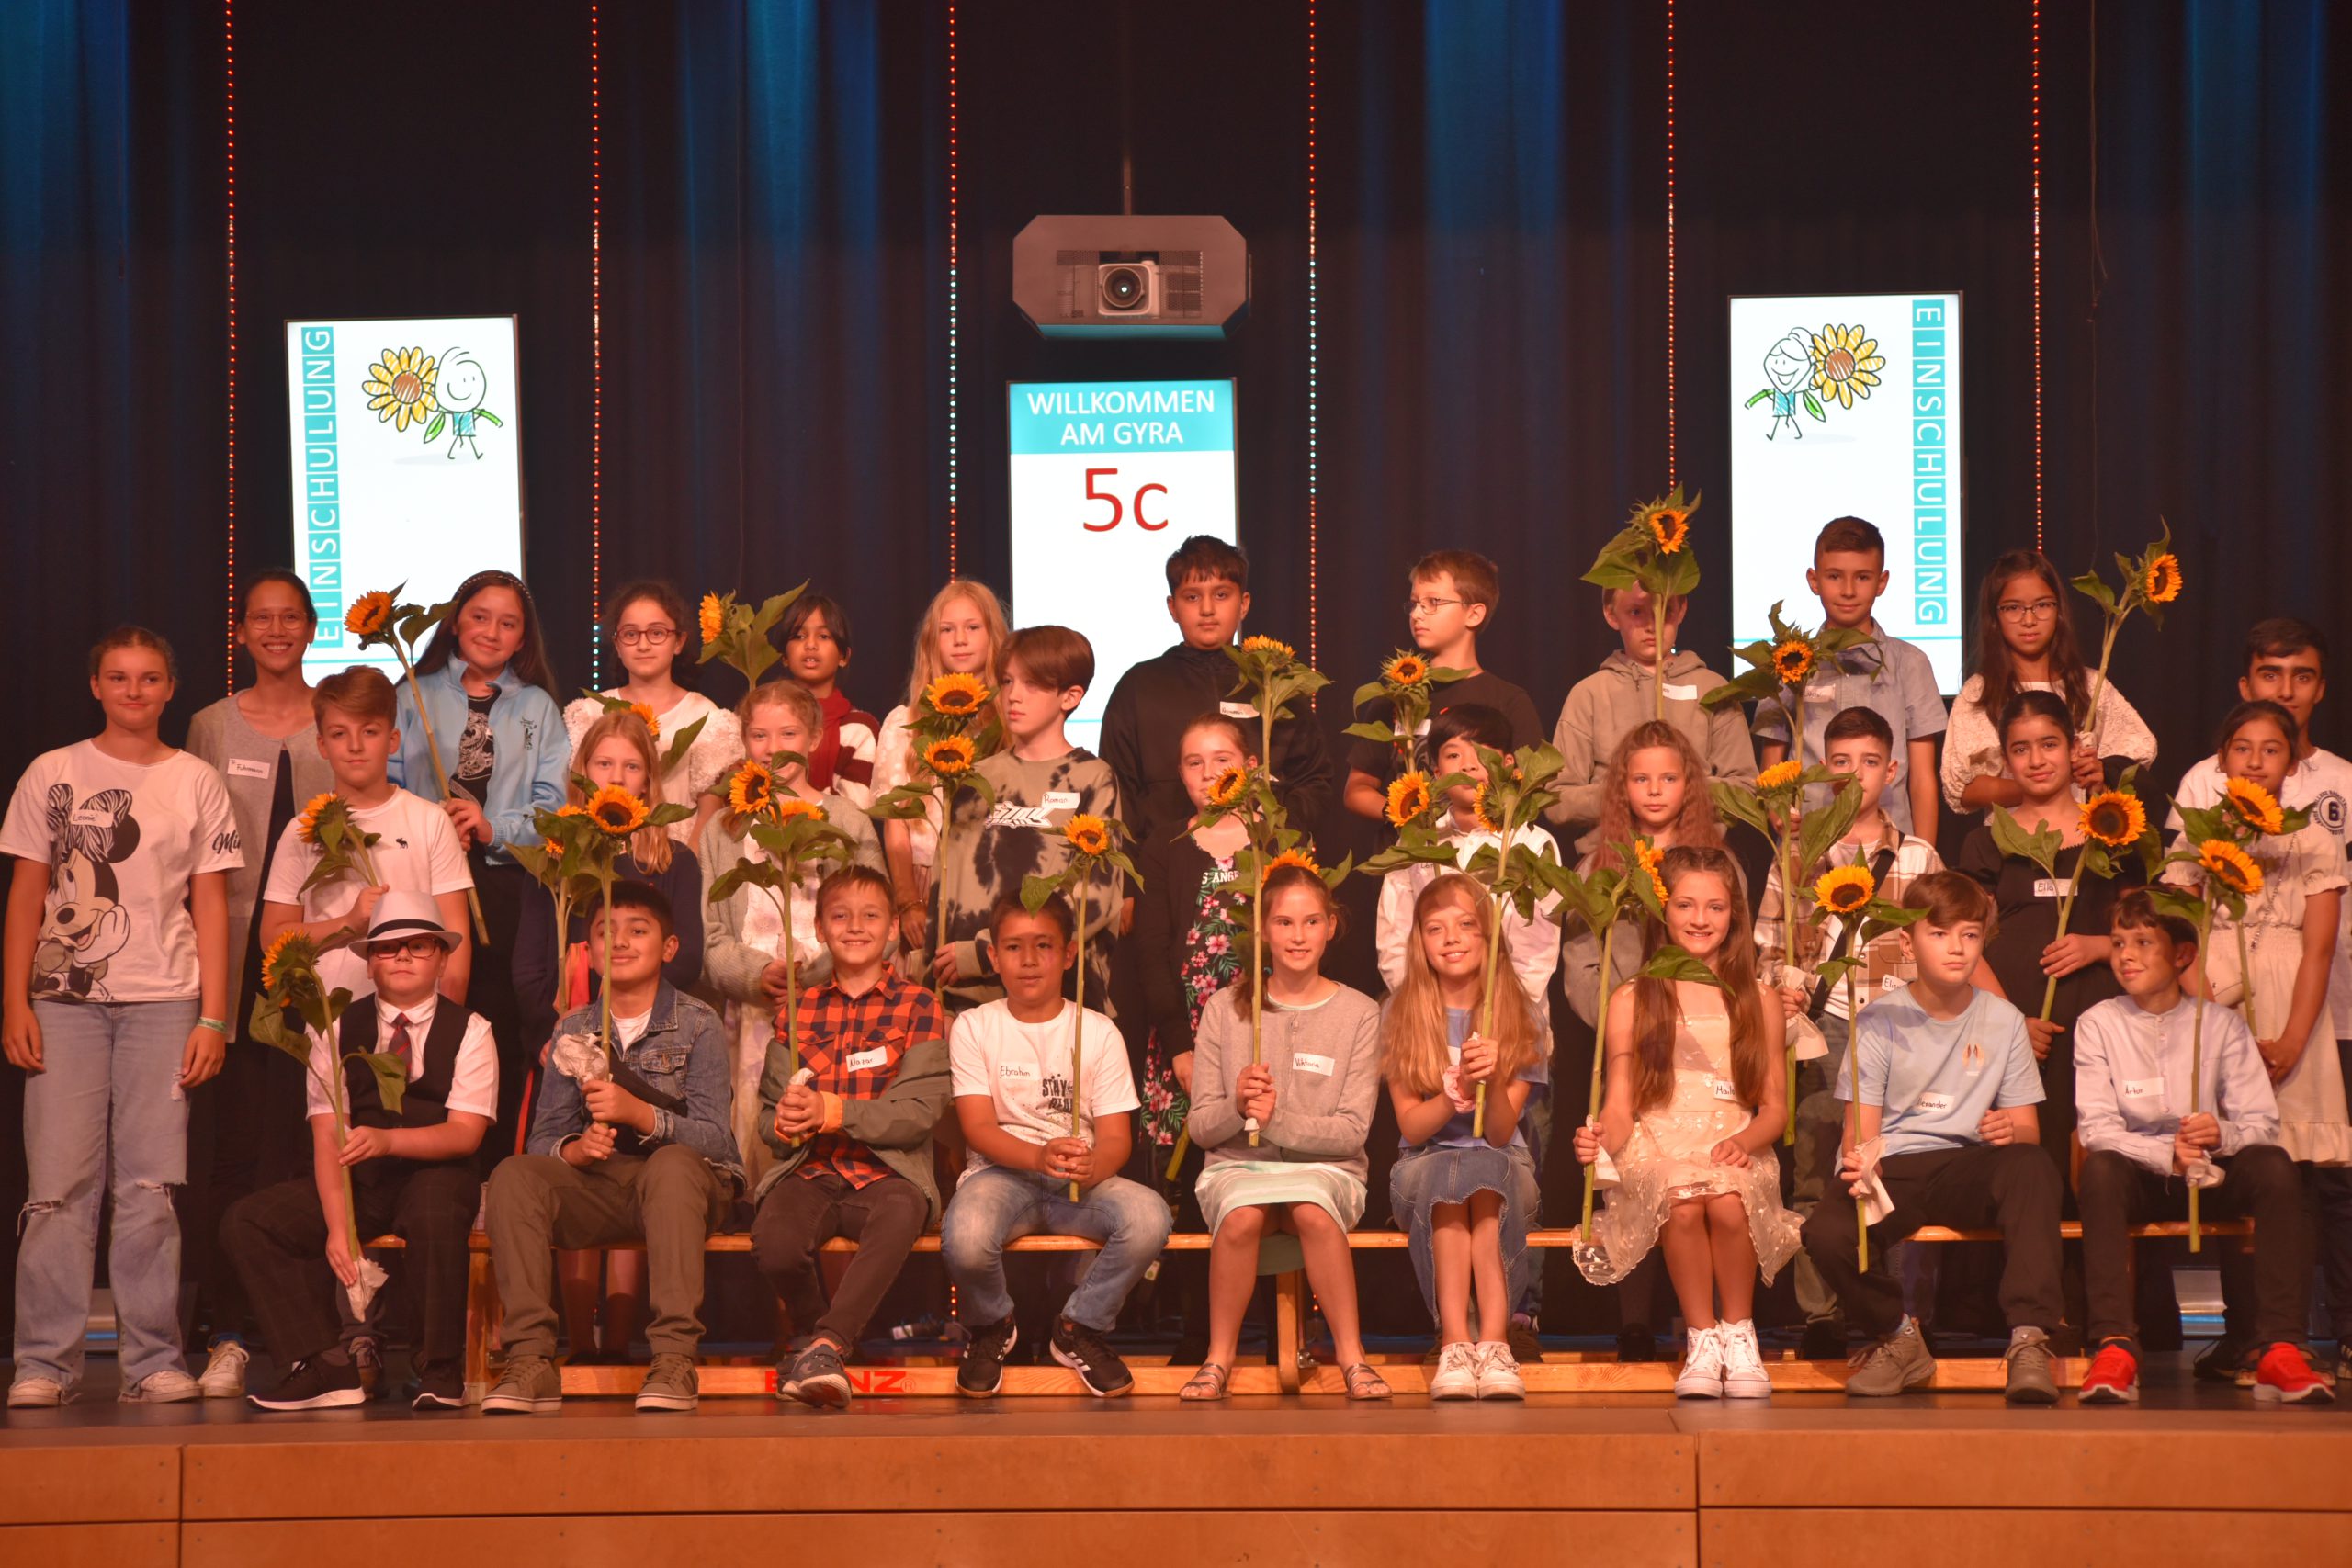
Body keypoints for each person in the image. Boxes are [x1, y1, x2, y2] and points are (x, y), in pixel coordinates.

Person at [4, 628, 241, 1407]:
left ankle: (153, 1361)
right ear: (95, 685)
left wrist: (214, 1016)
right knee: (58, 1184)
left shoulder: (196, 779)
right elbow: (28, 892)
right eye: (118, 677)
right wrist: (15, 1000)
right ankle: (45, 1363)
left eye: (148, 678)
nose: (133, 690)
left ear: (170, 687)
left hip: (165, 1000)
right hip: (63, 1001)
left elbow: (210, 902)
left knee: (150, 1185)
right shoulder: (53, 771)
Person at [1801, 872, 2065, 1404]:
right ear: (1908, 944)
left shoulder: (2004, 1020)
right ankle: (1898, 1337)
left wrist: (2008, 1128)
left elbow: (2027, 1129)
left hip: (1968, 1166)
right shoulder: (1878, 1020)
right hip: (1897, 1165)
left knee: (2032, 1165)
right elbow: (1861, 1132)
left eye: (1969, 935)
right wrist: (1862, 1165)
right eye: (1940, 934)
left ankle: (2030, 1338)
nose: (1956, 948)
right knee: (1826, 1232)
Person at [224, 895, 494, 1410]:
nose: (403, 956)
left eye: (418, 946)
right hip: (361, 1180)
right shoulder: (334, 1027)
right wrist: (337, 1227)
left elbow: (465, 1133)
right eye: (388, 948)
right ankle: (325, 1364)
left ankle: (438, 1368)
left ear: (442, 960)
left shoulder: (472, 1030)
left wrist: (390, 1140)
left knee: (434, 1210)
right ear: (369, 964)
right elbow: (328, 1132)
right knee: (250, 1221)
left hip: (436, 1171)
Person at [481, 881, 741, 1415]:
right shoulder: (574, 1028)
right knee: (513, 1175)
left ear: (669, 947)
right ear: (590, 950)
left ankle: (674, 1358)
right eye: (606, 932)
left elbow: (717, 1139)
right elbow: (544, 1137)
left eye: (637, 930)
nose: (620, 942)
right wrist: (574, 1151)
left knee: (672, 1165)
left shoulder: (699, 1023)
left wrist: (640, 1115)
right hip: (604, 1188)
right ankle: (530, 1358)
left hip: (683, 1189)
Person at [2072, 891, 2331, 1404]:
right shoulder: (2098, 1023)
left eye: (2143, 943)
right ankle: (2115, 1344)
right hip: (2143, 1177)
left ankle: (2279, 1346)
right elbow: (2096, 1127)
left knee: (2275, 1167)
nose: (2126, 956)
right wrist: (2164, 1154)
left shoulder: (2220, 1024)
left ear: (2183, 956)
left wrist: (2220, 1134)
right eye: (2119, 943)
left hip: (2211, 1175)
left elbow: (2262, 1123)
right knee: (2099, 1170)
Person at [514, 708, 706, 1363]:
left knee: (637, 1173)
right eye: (604, 764)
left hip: (645, 1040)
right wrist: (550, 1037)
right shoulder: (554, 856)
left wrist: (630, 1005)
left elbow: (687, 958)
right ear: (582, 774)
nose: (617, 777)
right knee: (575, 1165)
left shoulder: (671, 858)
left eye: (631, 766)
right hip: (567, 1038)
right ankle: (576, 1340)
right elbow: (528, 965)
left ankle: (621, 1340)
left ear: (648, 781)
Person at [1373, 702, 1561, 1359]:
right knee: (1449, 1180)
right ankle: (1452, 1333)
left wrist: (1497, 1011)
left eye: (1480, 755)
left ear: (1507, 765)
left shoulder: (1531, 843)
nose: (1467, 767)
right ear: (1433, 770)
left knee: (1507, 1170)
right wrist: (1427, 1011)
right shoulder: (1416, 844)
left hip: (1507, 1020)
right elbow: (1395, 942)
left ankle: (1514, 1322)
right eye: (1452, 755)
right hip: (1429, 1027)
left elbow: (1534, 949)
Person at [2168, 698, 2350, 1381]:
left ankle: (2286, 1336)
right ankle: (2242, 1335)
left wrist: (2293, 1039)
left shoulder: (2314, 840)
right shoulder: (2198, 837)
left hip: (2290, 1008)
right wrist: (2220, 1030)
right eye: (2242, 748)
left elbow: (2319, 949)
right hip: (2217, 1003)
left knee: (2290, 1177)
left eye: (2271, 749)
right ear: (2222, 760)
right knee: (2230, 1167)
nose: (2255, 761)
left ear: (2291, 761)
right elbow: (2182, 943)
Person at [1576, 845, 1799, 1398]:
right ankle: (1701, 1338)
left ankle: (1739, 1333)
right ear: (1663, 910)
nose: (1700, 919)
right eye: (1685, 905)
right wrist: (1601, 1139)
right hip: (1658, 1142)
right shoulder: (1634, 996)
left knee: (1726, 1198)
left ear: (1734, 915)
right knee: (1680, 1196)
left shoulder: (1759, 998)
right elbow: (1621, 1105)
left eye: (1715, 907)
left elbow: (1774, 1108)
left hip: (1732, 1140)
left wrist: (1746, 1139)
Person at [1755, 705, 1943, 1359]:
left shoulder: (1917, 855)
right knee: (1815, 1169)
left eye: (1869, 762)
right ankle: (1822, 1313)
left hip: (1900, 1030)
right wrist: (1780, 989)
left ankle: (1900, 1311)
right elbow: (1768, 943)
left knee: (1894, 1168)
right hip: (1822, 1027)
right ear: (1823, 771)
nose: (1856, 774)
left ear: (1893, 770)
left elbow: (1937, 941)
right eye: (1841, 762)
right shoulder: (1796, 856)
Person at [183, 570, 332, 1396]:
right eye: (261, 618)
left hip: (322, 961)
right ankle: (228, 1326)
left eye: (291, 617)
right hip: (231, 962)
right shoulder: (210, 724)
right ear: (242, 631)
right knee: (234, 1147)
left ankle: (312, 1327)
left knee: (307, 1141)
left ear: (310, 627)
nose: (277, 630)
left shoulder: (338, 716)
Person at [942, 894, 1171, 1399]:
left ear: (1068, 955)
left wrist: (1092, 1166)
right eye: (1013, 947)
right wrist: (1037, 1157)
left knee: (1149, 1217)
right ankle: (992, 1326)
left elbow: (1117, 1137)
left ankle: (1078, 1328)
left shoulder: (1099, 1031)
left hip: (1079, 1181)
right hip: (1002, 1175)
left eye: (1043, 946)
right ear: (994, 956)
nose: (1028, 960)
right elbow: (977, 1127)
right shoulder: (975, 1026)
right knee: (965, 1235)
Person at [1180, 864, 1388, 1401]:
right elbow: (1201, 1128)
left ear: (1331, 927)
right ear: (1263, 930)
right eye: (1284, 922)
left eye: (1311, 921)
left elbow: (1352, 1133)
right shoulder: (1225, 1010)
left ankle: (1352, 1357)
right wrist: (1237, 1107)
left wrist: (1278, 1122)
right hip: (1238, 1168)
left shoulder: (1360, 1013)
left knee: (1313, 1210)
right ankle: (1218, 1358)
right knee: (1242, 1216)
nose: (1298, 936)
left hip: (1326, 1171)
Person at [1559, 717, 1732, 1360]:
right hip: (1630, 1038)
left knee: (1703, 1181)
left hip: (1702, 1045)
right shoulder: (1599, 864)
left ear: (1690, 784)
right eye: (1640, 778)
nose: (1655, 790)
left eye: (1668, 777)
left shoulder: (1716, 862)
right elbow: (1580, 960)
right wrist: (1619, 1017)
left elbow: (1737, 948)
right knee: (1630, 1174)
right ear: (1621, 787)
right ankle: (1635, 1319)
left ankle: (1706, 1323)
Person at [752, 864, 952, 1407]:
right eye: (840, 916)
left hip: (889, 1173)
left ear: (893, 928)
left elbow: (917, 1113)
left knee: (901, 1213)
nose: (856, 926)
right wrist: (786, 1123)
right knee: (774, 1241)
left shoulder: (920, 1005)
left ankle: (826, 1345)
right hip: (812, 1170)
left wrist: (834, 1111)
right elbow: (769, 1118)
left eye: (871, 916)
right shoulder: (798, 1012)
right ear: (820, 928)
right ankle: (814, 1341)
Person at [389, 569, 569, 1164]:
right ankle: (428, 1154)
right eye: (480, 617)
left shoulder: (538, 706)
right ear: (454, 623)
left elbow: (554, 808)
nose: (492, 631)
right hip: (424, 881)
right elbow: (387, 784)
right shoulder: (412, 694)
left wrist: (493, 827)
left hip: (507, 884)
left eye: (508, 623)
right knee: (430, 1017)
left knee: (500, 1023)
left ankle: (497, 1165)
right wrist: (429, 822)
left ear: (523, 639)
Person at [1958, 691, 2141, 1201]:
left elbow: (2149, 938)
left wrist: (2100, 946)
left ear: (2075, 748)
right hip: (2017, 1032)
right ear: (2005, 758)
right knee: (2028, 1173)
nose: (2036, 760)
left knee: (2096, 1171)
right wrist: (2010, 1023)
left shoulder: (2113, 831)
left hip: (2100, 1028)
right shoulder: (1986, 842)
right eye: (2021, 749)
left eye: (2049, 744)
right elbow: (1963, 942)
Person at [699, 680, 884, 1180]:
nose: (772, 748)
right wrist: (757, 974)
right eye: (759, 735)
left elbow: (876, 922)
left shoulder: (846, 819)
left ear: (814, 738)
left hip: (835, 1003)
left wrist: (816, 975)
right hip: (754, 1011)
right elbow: (710, 935)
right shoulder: (723, 830)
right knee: (754, 1128)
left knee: (826, 1132)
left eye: (788, 734)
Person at [1383, 873, 1544, 1401]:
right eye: (1435, 928)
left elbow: (1499, 1132)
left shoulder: (1523, 1017)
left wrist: (1492, 1082)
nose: (1451, 938)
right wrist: (1454, 1095)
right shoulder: (1401, 1013)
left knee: (1481, 1171)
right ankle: (1458, 1342)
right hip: (1423, 1164)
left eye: (1465, 925)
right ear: (1420, 942)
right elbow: (1411, 1127)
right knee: (1451, 1174)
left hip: (1503, 1163)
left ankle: (1492, 1344)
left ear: (1488, 935)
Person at [1128, 710, 1255, 1360]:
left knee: (1256, 1174)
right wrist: (1180, 1042)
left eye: (1222, 760)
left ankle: (1273, 1325)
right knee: (1185, 1185)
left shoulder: (1277, 839)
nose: (1209, 774)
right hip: (1186, 1040)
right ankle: (1196, 1330)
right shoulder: (1165, 846)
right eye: (1194, 763)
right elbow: (1151, 952)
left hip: (1258, 1039)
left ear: (1249, 767)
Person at [1100, 533, 1334, 851]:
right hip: (1167, 866)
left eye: (1221, 595)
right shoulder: (1138, 687)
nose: (1207, 609)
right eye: (1192, 597)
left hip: (1264, 860)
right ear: (1173, 607)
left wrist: (1277, 832)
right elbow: (1118, 793)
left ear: (1244, 604)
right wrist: (1146, 864)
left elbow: (1314, 780)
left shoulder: (1277, 683)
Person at [931, 626, 1121, 1014]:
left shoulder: (1093, 778)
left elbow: (1096, 897)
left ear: (1070, 696)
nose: (1013, 696)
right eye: (1007, 681)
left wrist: (988, 951)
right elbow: (945, 886)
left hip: (1060, 1000)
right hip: (968, 997)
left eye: (1032, 684)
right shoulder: (973, 778)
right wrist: (934, 988)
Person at [260, 667, 476, 1005]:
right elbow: (272, 938)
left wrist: (445, 1026)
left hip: (420, 1020)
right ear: (322, 744)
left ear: (392, 740)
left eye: (370, 731)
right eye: (339, 734)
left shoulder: (430, 821)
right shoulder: (301, 831)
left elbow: (456, 940)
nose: (355, 746)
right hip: (331, 1022)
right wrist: (348, 924)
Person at [1752, 517, 1947, 842]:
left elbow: (1923, 778)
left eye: (1862, 577)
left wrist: (1925, 855)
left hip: (1891, 844)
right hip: (1811, 842)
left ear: (1882, 582)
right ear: (1814, 580)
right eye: (1834, 576)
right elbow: (1771, 768)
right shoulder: (1788, 663)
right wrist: (1778, 813)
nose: (1848, 590)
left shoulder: (1910, 663)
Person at [1940, 549, 2155, 821]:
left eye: (2042, 605)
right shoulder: (1981, 692)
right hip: (2012, 838)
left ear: (2059, 610)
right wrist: (2044, 786)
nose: (2029, 620)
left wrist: (2102, 771)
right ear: (1995, 617)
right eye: (2013, 608)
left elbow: (2138, 754)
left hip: (2082, 835)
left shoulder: (2090, 685)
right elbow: (1962, 789)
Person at [1341, 550, 1544, 823]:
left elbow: (1531, 785)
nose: (1417, 614)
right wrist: (1408, 816)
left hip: (1481, 846)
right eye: (1414, 603)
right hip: (1409, 847)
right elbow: (1357, 789)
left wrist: (1473, 821)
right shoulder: (1395, 697)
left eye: (1433, 602)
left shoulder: (1508, 700)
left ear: (1474, 614)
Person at [1546, 582, 1756, 843]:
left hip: (1698, 852)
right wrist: (1624, 794)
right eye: (1636, 612)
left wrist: (1683, 790)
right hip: (1612, 854)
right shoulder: (1589, 694)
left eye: (1665, 611)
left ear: (1681, 610)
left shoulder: (1713, 689)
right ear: (1611, 614)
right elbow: (1557, 800)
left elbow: (1746, 787)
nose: (1652, 625)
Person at [871, 578, 1012, 955]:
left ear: (993, 635)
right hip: (923, 880)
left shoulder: (1009, 723)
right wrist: (908, 901)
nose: (960, 639)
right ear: (932, 640)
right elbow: (897, 822)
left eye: (972, 627)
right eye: (947, 630)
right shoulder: (904, 723)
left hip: (994, 878)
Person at [561, 580, 741, 845]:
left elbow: (709, 814)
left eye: (657, 633)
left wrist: (687, 866)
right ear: (617, 644)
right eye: (631, 634)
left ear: (678, 641)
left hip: (678, 855)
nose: (643, 645)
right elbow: (578, 798)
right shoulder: (592, 712)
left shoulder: (705, 717)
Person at [775, 591, 880, 809]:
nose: (810, 645)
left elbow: (855, 810)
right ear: (784, 656)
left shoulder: (859, 729)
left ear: (844, 656)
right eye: (799, 636)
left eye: (823, 636)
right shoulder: (763, 720)